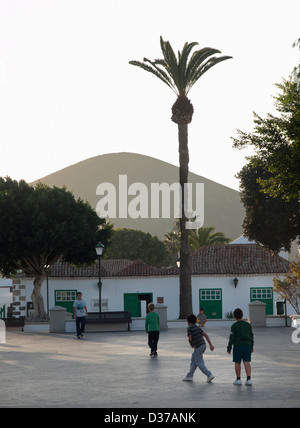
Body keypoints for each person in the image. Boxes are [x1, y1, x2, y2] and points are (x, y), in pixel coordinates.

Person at [182, 313, 214, 383]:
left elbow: (190, 339)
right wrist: (210, 345)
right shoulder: (198, 327)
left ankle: (209, 375)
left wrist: (191, 345)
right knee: (194, 359)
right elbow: (206, 335)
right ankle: (189, 375)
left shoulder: (189, 328)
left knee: (199, 362)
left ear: (188, 322)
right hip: (203, 345)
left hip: (198, 347)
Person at [227, 308, 254, 385]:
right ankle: (249, 379)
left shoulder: (234, 326)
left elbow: (231, 337)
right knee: (246, 362)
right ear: (242, 315)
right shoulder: (248, 325)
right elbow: (251, 336)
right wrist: (251, 346)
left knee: (237, 362)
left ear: (234, 316)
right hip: (247, 345)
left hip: (238, 346)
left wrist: (229, 348)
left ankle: (238, 379)